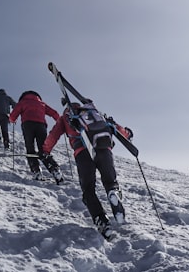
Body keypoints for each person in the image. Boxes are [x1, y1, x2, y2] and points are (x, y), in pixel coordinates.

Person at [43, 99, 133, 238]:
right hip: (103, 147)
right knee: (110, 181)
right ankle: (113, 194)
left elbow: (54, 135)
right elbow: (114, 127)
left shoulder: (66, 116)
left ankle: (102, 221)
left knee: (88, 189)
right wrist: (127, 133)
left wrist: (45, 150)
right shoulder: (93, 113)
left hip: (82, 152)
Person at [8, 90, 60, 178]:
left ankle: (36, 171)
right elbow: (54, 113)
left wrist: (12, 120)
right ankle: (55, 169)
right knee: (43, 150)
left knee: (30, 148)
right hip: (41, 126)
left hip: (28, 125)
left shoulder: (22, 102)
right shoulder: (41, 103)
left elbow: (13, 116)